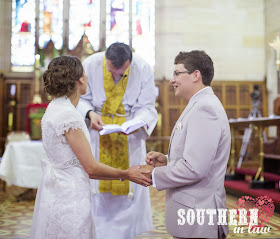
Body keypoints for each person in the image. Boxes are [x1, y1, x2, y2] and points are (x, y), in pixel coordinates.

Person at [29, 55, 152, 239]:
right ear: (80, 80)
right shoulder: (68, 116)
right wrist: (126, 174)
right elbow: (91, 168)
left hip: (58, 189)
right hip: (70, 196)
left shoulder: (54, 108)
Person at [145, 50, 231, 239]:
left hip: (198, 216)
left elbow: (194, 168)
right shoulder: (199, 104)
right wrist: (168, 160)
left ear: (195, 75)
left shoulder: (205, 108)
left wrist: (152, 175)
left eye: (177, 73)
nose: (171, 80)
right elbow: (200, 158)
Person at [77, 42, 158, 239]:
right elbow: (79, 98)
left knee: (129, 191)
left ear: (130, 62)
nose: (116, 77)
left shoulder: (143, 67)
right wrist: (89, 113)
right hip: (99, 131)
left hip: (129, 136)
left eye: (121, 74)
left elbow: (147, 106)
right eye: (112, 72)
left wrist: (136, 124)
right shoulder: (91, 63)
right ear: (106, 60)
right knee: (97, 192)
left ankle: (126, 234)